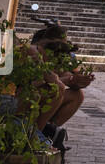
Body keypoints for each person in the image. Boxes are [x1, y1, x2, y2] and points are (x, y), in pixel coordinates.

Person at [26, 23, 94, 152]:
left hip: (40, 101)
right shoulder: (33, 52)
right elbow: (33, 84)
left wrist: (80, 81)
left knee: (77, 94)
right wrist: (62, 80)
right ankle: (34, 135)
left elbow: (68, 76)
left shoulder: (55, 58)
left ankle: (48, 130)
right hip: (25, 99)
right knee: (57, 89)